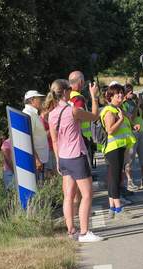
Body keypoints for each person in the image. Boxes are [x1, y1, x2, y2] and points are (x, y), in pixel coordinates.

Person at [48, 79, 103, 242]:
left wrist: (58, 160)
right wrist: (94, 97)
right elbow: (94, 116)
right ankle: (85, 233)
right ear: (65, 92)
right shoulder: (73, 110)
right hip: (76, 156)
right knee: (87, 194)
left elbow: (54, 140)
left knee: (68, 196)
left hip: (63, 158)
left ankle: (71, 230)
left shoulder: (51, 114)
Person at [101, 83, 136, 219]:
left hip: (118, 148)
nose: (121, 95)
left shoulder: (117, 109)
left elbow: (130, 120)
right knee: (115, 178)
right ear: (110, 97)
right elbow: (110, 130)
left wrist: (132, 125)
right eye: (117, 94)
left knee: (112, 178)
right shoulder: (110, 111)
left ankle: (112, 207)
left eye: (121, 93)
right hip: (113, 149)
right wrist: (121, 119)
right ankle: (118, 209)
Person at [122, 84, 143, 190]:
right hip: (131, 133)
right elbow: (131, 117)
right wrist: (137, 105)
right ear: (124, 94)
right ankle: (130, 181)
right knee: (130, 159)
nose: (132, 93)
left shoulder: (135, 103)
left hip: (142, 132)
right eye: (129, 92)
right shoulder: (124, 104)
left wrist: (142, 104)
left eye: (132, 91)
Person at [23, 90, 49, 182]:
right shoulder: (28, 114)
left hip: (41, 158)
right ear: (32, 100)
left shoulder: (34, 113)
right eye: (39, 98)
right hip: (37, 160)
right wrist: (36, 159)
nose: (41, 101)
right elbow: (27, 140)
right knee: (39, 187)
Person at [40, 106, 56, 177]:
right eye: (48, 110)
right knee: (49, 170)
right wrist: (52, 129)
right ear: (44, 110)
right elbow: (44, 135)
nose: (49, 111)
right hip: (47, 149)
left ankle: (54, 185)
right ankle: (50, 186)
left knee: (54, 169)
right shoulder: (41, 120)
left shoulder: (47, 120)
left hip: (52, 147)